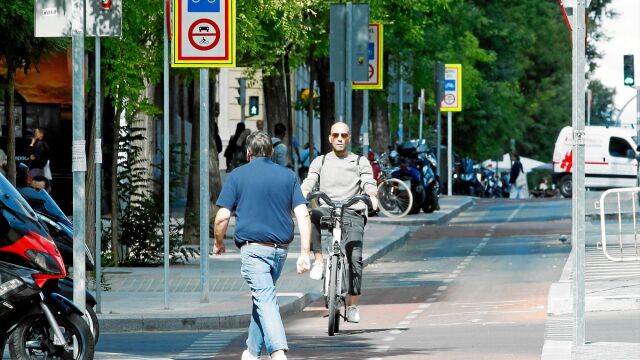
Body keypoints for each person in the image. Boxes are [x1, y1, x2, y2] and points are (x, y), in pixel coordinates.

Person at [214, 131, 311, 360]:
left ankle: (278, 352)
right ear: (271, 152)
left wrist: (218, 242)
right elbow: (302, 214)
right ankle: (251, 352)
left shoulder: (237, 176)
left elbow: (221, 217)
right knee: (263, 296)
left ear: (248, 153)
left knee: (264, 298)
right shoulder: (288, 176)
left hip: (253, 250)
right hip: (280, 252)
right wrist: (305, 253)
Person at [300, 122, 379, 323]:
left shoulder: (359, 161)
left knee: (355, 259)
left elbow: (368, 181)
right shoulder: (321, 161)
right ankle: (318, 260)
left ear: (349, 137)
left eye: (344, 135)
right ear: (330, 138)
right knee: (313, 216)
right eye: (336, 135)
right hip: (328, 208)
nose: (340, 138)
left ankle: (352, 305)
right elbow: (310, 180)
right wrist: (303, 193)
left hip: (352, 211)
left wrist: (372, 195)